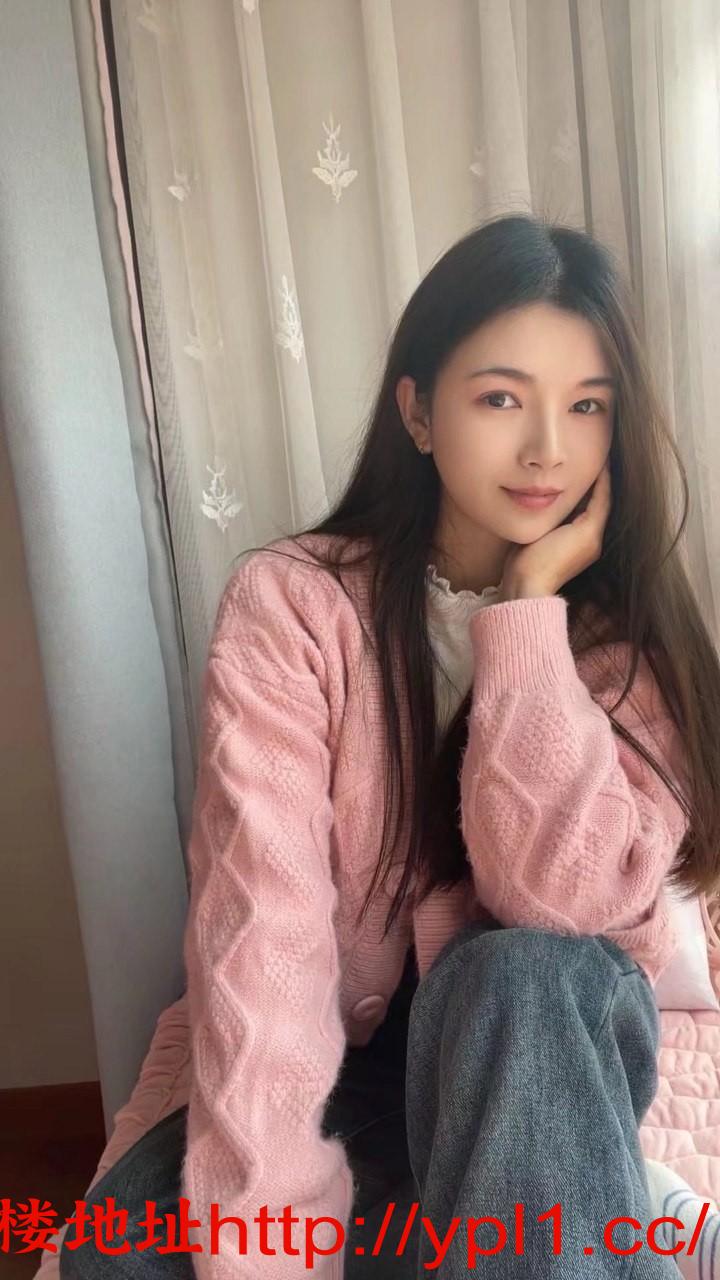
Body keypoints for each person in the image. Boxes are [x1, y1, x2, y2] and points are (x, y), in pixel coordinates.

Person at [60, 212, 720, 1279]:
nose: (548, 447)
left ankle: (572, 1197)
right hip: (352, 1074)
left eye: (587, 405)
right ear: (417, 411)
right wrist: (270, 1242)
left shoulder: (626, 647)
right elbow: (261, 921)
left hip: (543, 1043)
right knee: (119, 1253)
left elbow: (567, 905)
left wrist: (528, 615)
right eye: (501, 397)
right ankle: (615, 1210)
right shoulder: (291, 606)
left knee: (515, 973)